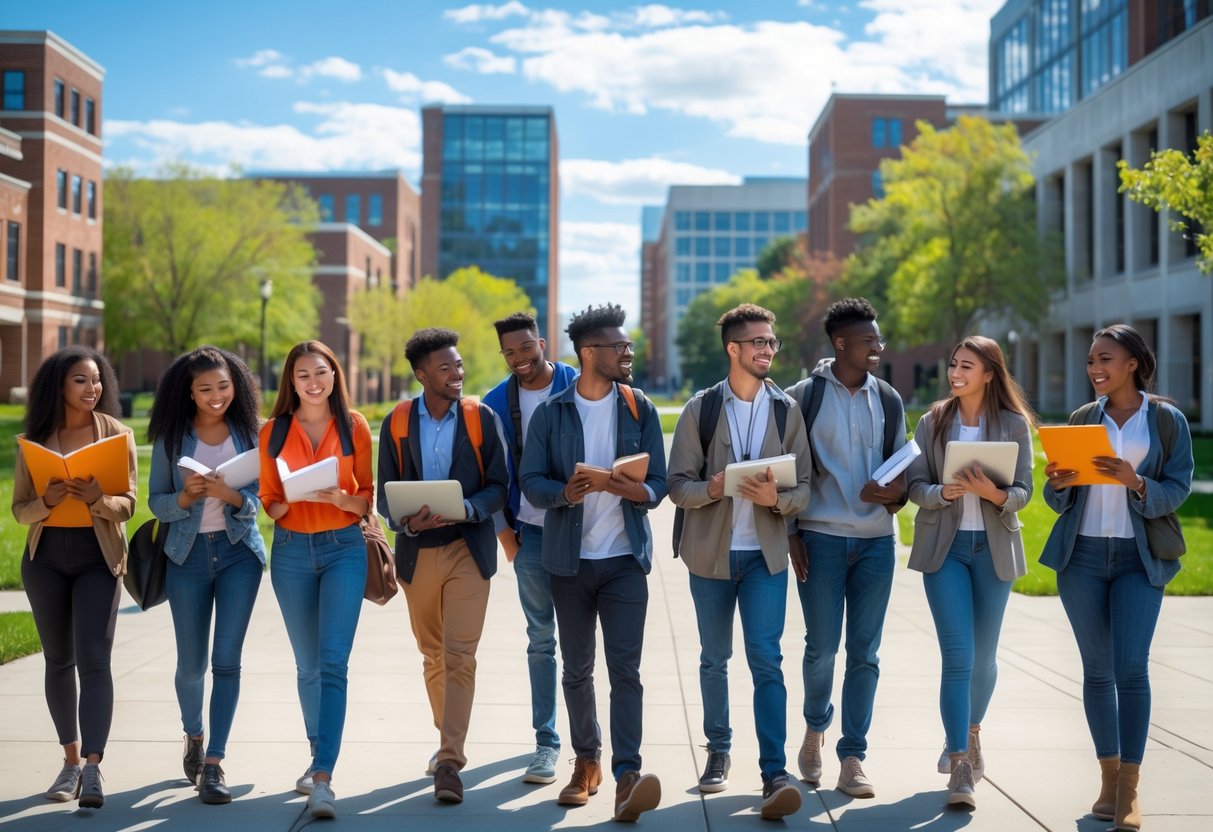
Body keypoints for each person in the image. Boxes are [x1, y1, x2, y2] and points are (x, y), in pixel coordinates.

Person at [519, 303, 668, 822]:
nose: (628, 352)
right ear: (588, 353)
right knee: (577, 670)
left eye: (628, 345)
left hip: (625, 559)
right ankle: (587, 762)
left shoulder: (639, 407)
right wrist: (565, 492)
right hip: (570, 561)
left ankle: (629, 774)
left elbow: (660, 484)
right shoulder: (552, 412)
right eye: (618, 346)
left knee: (626, 671)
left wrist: (636, 489)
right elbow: (530, 483)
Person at [1041, 324, 1193, 832]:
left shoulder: (1166, 420)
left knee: (1131, 668)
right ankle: (1107, 781)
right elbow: (1059, 499)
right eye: (1090, 361)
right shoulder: (1085, 418)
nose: (1094, 369)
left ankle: (1130, 790)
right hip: (1081, 556)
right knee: (1096, 671)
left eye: (1104, 359)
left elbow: (1178, 489)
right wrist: (1058, 484)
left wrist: (1137, 481)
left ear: (1133, 362)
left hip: (1137, 558)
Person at [667, 303, 809, 819]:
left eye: (772, 342)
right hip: (710, 556)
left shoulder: (785, 410)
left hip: (765, 558)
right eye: (758, 342)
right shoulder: (700, 409)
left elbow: (806, 488)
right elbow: (675, 487)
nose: (768, 349)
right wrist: (710, 487)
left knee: (767, 661)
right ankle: (718, 752)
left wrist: (778, 501)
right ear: (734, 349)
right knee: (713, 659)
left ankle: (774, 770)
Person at [376, 327, 509, 804]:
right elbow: (385, 496)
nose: (458, 373)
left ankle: (450, 760)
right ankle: (446, 738)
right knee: (433, 653)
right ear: (421, 374)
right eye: (446, 367)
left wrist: (468, 509)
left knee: (460, 655)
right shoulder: (396, 422)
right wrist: (407, 520)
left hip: (467, 551)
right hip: (417, 554)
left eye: (459, 364)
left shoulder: (480, 417)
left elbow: (499, 485)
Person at [784, 297, 908, 797]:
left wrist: (894, 496)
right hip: (821, 538)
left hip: (877, 542)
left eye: (879, 339)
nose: (878, 346)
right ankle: (816, 728)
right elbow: (788, 469)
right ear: (841, 344)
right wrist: (792, 532)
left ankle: (852, 755)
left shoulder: (889, 398)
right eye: (869, 340)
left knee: (866, 653)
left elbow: (903, 466)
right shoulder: (802, 396)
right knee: (820, 648)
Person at [905, 336, 1035, 810]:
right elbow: (914, 485)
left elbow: (1024, 490)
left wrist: (994, 493)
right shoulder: (932, 422)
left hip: (994, 550)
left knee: (984, 657)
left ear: (988, 374)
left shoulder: (1013, 424)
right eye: (954, 365)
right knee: (958, 655)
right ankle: (959, 762)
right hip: (947, 550)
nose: (956, 373)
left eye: (967, 366)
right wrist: (944, 491)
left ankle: (972, 730)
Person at [12, 346, 137, 810]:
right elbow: (20, 510)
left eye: (97, 379)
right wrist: (45, 500)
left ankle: (92, 767)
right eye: (81, 381)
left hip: (96, 558)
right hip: (44, 560)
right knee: (58, 660)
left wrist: (98, 498)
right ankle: (68, 762)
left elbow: (129, 503)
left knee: (95, 660)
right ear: (59, 387)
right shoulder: (34, 442)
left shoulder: (118, 435)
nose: (93, 388)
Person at [258, 340, 373, 821]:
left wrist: (339, 497)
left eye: (321, 372)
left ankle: (323, 776)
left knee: (332, 664)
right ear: (292, 381)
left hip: (344, 549)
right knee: (307, 665)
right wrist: (284, 501)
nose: (313, 382)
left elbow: (366, 496)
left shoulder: (355, 426)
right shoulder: (272, 430)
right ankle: (315, 751)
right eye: (303, 375)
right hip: (290, 554)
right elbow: (268, 497)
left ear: (334, 375)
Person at [147, 346, 266, 804]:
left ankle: (214, 762)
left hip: (240, 555)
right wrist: (184, 498)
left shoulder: (249, 432)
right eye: (205, 389)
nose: (216, 396)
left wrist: (231, 496)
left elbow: (261, 498)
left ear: (236, 385)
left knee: (227, 661)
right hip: (187, 556)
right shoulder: (172, 437)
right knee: (192, 665)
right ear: (189, 392)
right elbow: (156, 501)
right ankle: (194, 734)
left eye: (223, 386)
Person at [482, 312, 578, 784]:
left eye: (526, 347)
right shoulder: (497, 401)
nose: (520, 359)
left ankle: (589, 744)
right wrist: (507, 539)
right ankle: (546, 742)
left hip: (585, 534)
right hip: (532, 535)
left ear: (543, 342)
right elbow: (494, 477)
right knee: (541, 640)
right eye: (510, 352)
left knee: (582, 644)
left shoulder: (580, 383)